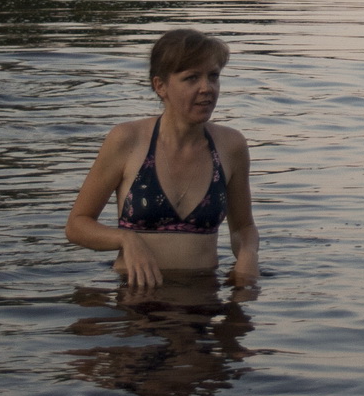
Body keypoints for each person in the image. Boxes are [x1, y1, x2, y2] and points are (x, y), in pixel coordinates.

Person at [67, 29, 259, 288]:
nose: (207, 88)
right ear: (160, 86)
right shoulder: (128, 140)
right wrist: (125, 239)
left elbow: (243, 227)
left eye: (213, 76)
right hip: (136, 294)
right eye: (192, 78)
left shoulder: (231, 145)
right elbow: (77, 225)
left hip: (204, 293)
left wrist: (248, 255)